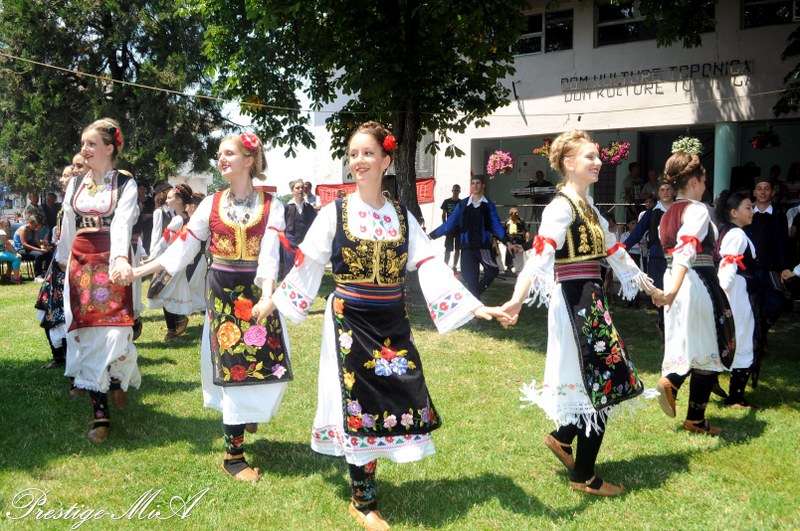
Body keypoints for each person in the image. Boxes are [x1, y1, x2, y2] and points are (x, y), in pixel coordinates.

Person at [270, 121, 501, 530]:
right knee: (357, 402)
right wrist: (274, 299)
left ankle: (367, 487)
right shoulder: (334, 212)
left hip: (392, 320)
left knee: (397, 393)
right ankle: (363, 501)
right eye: (353, 154)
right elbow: (307, 262)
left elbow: (427, 262)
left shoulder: (401, 215)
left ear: (386, 160)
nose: (358, 160)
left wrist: (473, 305)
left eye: (368, 153)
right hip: (349, 319)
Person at [496, 130, 660, 497]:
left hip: (589, 299)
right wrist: (518, 298)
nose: (598, 162)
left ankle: (563, 438)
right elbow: (541, 254)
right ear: (569, 163)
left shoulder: (589, 207)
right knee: (598, 380)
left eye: (597, 156)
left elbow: (616, 252)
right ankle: (584, 476)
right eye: (590, 156)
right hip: (575, 302)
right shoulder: (562, 207)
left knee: (596, 378)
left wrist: (652, 290)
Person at [130, 133, 291, 482]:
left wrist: (267, 295)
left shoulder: (272, 205)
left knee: (266, 364)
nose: (221, 159)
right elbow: (183, 247)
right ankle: (233, 457)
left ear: (249, 160)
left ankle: (249, 413)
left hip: (257, 295)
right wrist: (139, 271)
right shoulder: (211, 204)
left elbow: (270, 257)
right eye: (220, 154)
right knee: (232, 368)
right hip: (223, 297)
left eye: (229, 153)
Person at [57, 118, 140, 443]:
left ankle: (116, 377)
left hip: (111, 262)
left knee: (116, 330)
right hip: (81, 263)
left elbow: (122, 224)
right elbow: (68, 224)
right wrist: (63, 260)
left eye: (91, 144)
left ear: (109, 148)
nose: (85, 149)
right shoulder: (76, 184)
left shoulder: (125, 184)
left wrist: (119, 259)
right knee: (88, 333)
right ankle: (100, 414)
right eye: (83, 144)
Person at [655, 151, 736, 436]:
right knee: (708, 348)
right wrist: (673, 290)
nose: (704, 186)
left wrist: (669, 289)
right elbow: (686, 250)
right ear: (692, 181)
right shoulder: (698, 210)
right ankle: (677, 389)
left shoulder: (666, 215)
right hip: (695, 281)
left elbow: (672, 255)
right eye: (703, 180)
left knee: (691, 343)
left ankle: (689, 408)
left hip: (674, 279)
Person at [429, 174, 509, 298]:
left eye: (478, 183)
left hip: (483, 247)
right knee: (470, 279)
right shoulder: (463, 204)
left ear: (483, 185)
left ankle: (472, 297)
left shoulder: (489, 205)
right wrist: (431, 236)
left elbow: (496, 225)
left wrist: (507, 241)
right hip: (467, 248)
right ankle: (475, 305)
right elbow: (449, 224)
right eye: (473, 183)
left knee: (492, 271)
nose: (475, 186)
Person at [743, 176, 790, 386]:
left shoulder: (778, 215)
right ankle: (754, 341)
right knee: (751, 305)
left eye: (766, 189)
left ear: (772, 192)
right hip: (749, 269)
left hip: (771, 269)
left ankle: (761, 332)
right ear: (754, 192)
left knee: (777, 303)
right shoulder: (748, 212)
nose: (762, 192)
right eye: (759, 188)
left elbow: (783, 243)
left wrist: (784, 267)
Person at [715, 191, 758, 408]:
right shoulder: (737, 235)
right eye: (748, 207)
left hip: (735, 291)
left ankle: (723, 387)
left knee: (736, 338)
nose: (752, 211)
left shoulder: (731, 232)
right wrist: (723, 295)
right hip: (735, 293)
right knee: (742, 340)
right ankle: (735, 397)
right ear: (734, 212)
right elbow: (728, 266)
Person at [35, 165, 75, 370]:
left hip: (72, 267)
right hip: (58, 266)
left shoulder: (78, 205)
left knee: (66, 313)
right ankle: (59, 356)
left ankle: (70, 357)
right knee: (47, 309)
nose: (61, 179)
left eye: (66, 175)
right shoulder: (65, 205)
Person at [624, 181, 675, 337]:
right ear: (658, 194)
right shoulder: (652, 212)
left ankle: (674, 326)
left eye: (668, 189)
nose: (665, 192)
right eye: (662, 190)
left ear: (674, 192)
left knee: (676, 291)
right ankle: (663, 323)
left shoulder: (679, 209)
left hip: (677, 258)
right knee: (659, 291)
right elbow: (637, 232)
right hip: (656, 257)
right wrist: (621, 249)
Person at [146, 183, 194, 340]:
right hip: (181, 260)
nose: (167, 200)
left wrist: (152, 257)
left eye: (169, 198)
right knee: (170, 290)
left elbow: (164, 241)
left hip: (172, 260)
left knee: (162, 290)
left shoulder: (178, 220)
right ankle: (174, 325)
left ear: (178, 200)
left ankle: (176, 323)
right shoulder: (188, 218)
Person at [283, 178, 317, 275]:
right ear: (292, 190)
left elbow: (315, 227)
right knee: (291, 272)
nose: (300, 190)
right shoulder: (286, 208)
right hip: (290, 246)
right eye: (297, 188)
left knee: (305, 272)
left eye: (302, 188)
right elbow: (281, 228)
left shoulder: (309, 208)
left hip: (305, 246)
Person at [14, 210, 52, 279]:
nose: (36, 227)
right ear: (30, 223)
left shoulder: (35, 231)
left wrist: (44, 247)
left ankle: (46, 272)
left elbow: (38, 243)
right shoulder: (23, 230)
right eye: (35, 225)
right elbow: (24, 245)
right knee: (39, 254)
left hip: (29, 249)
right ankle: (37, 275)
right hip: (20, 250)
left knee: (49, 253)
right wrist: (40, 250)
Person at [440, 184, 461, 271]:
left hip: (459, 228)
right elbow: (443, 215)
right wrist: (445, 226)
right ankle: (445, 266)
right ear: (452, 191)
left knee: (457, 248)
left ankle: (454, 266)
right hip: (449, 228)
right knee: (448, 248)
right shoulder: (447, 201)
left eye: (457, 190)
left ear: (459, 192)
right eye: (454, 190)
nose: (456, 192)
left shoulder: (461, 203)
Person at [504, 207, 526, 274]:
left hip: (518, 238)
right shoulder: (507, 221)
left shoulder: (521, 221)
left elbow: (526, 230)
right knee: (509, 246)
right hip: (510, 237)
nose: (517, 215)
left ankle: (510, 265)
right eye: (515, 213)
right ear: (511, 214)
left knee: (513, 243)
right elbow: (504, 230)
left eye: (517, 213)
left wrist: (526, 239)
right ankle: (509, 266)